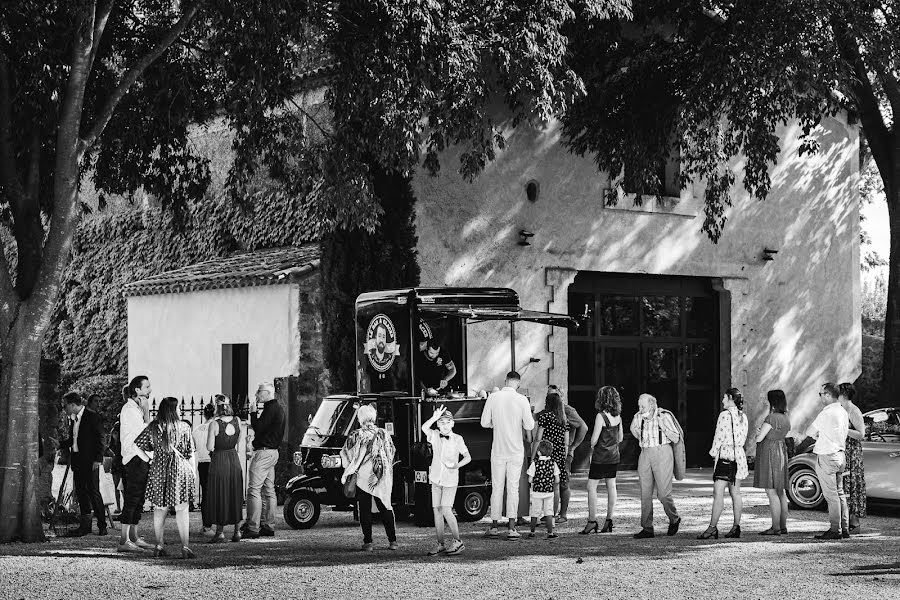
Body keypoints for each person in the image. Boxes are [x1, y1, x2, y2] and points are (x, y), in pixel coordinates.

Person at [134, 397, 196, 558]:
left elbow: (137, 446)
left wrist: (149, 460)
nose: (180, 410)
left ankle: (159, 545)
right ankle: (185, 547)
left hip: (158, 470)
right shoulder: (184, 427)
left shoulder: (154, 427)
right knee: (182, 509)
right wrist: (193, 473)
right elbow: (190, 453)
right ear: (173, 410)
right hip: (180, 471)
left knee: (160, 510)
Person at [480, 370, 535, 538]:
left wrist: (494, 424)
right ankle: (512, 527)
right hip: (516, 450)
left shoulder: (493, 397)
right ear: (518, 383)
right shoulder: (522, 400)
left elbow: (484, 422)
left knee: (497, 487)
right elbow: (530, 426)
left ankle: (495, 526)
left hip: (498, 449)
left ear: (505, 381)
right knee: (513, 488)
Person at [340, 404, 398, 551]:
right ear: (373, 417)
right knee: (385, 505)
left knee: (364, 509)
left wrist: (350, 467)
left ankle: (368, 542)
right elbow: (391, 451)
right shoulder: (383, 433)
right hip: (381, 476)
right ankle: (393, 541)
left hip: (363, 477)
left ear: (360, 418)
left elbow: (346, 454)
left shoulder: (356, 434)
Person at [795, 383, 850, 540]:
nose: (820, 397)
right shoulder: (842, 411)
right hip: (840, 454)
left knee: (831, 495)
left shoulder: (826, 413)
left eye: (820, 394)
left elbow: (810, 432)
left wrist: (816, 438)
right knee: (840, 493)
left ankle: (835, 529)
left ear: (827, 395)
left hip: (827, 455)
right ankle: (844, 528)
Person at [629, 393, 683, 538]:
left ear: (652, 405)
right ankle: (647, 528)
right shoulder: (637, 417)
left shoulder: (664, 416)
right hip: (645, 453)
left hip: (662, 452)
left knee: (663, 494)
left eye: (643, 406)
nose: (640, 409)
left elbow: (676, 437)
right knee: (645, 493)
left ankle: (674, 518)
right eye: (639, 405)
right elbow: (634, 431)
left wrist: (663, 427)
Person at [698, 388, 749, 539]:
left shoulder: (724, 415)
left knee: (718, 494)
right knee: (736, 493)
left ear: (731, 398)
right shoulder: (743, 416)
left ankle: (712, 527)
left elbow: (718, 437)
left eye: (724, 398)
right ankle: (736, 527)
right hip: (739, 455)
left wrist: (713, 454)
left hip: (725, 455)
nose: (722, 401)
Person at [421, 405, 471, 556]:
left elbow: (468, 457)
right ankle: (440, 544)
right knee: (437, 510)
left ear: (453, 423)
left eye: (447, 422)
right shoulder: (435, 435)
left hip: (450, 480)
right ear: (438, 424)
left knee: (446, 509)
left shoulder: (458, 439)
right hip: (436, 478)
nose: (444, 424)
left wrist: (457, 465)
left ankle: (458, 541)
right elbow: (424, 427)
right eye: (441, 422)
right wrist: (434, 417)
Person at [117, 376, 155, 553]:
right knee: (133, 497)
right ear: (137, 390)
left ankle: (134, 536)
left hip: (141, 458)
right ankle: (124, 540)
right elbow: (144, 434)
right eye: (146, 387)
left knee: (139, 498)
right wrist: (147, 412)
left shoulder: (135, 409)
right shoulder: (130, 410)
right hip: (135, 458)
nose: (149, 390)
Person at [244, 382, 285, 539]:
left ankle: (253, 527)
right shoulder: (278, 408)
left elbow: (259, 428)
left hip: (264, 453)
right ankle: (268, 525)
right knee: (269, 490)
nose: (256, 394)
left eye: (259, 392)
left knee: (254, 489)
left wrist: (253, 413)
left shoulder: (270, 409)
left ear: (267, 393)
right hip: (273, 452)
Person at [63, 392, 107, 536]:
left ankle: (102, 525)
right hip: (78, 461)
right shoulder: (74, 419)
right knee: (81, 492)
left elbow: (101, 438)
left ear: (72, 405)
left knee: (93, 492)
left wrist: (98, 459)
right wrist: (60, 444)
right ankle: (85, 526)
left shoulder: (92, 416)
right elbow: (73, 439)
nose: (64, 409)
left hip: (90, 461)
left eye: (65, 406)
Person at [581, 386, 622, 534]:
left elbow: (593, 440)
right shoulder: (618, 416)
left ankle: (592, 521)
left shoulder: (600, 416)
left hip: (600, 457)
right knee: (611, 486)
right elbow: (621, 438)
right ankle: (609, 520)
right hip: (613, 456)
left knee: (591, 487)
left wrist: (593, 446)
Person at [206, 395, 245, 543]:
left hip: (219, 460)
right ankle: (237, 532)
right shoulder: (238, 421)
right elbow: (238, 439)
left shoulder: (214, 424)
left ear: (217, 407)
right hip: (233, 459)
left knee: (220, 493)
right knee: (235, 492)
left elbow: (209, 447)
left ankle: (220, 532)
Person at [753, 389, 791, 535]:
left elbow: (759, 438)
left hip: (769, 452)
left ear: (772, 401)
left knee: (771, 491)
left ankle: (775, 527)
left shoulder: (771, 418)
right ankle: (782, 526)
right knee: (780, 491)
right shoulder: (786, 417)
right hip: (781, 451)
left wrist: (758, 432)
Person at [548, 384, 588, 523]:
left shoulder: (568, 410)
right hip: (549, 453)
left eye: (554, 395)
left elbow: (583, 427)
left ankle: (563, 514)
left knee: (563, 484)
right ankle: (550, 514)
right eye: (549, 395)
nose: (551, 398)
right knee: (551, 483)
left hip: (564, 453)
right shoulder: (548, 410)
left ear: (561, 396)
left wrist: (573, 447)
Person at [532, 391, 569, 524]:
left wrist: (533, 455)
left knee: (544, 486)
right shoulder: (564, 419)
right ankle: (552, 516)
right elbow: (566, 442)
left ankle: (544, 514)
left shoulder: (545, 417)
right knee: (557, 486)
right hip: (559, 455)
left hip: (547, 453)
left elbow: (538, 438)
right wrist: (563, 457)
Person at [838, 382, 866, 533]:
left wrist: (844, 429)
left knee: (852, 485)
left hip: (852, 452)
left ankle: (854, 523)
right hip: (841, 450)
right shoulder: (840, 409)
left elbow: (861, 434)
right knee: (842, 485)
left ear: (843, 394)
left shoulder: (854, 410)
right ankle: (845, 522)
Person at [525, 440, 560, 539]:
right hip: (549, 492)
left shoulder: (534, 464)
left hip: (537, 492)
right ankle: (550, 533)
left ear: (538, 452)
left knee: (535, 512)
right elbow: (557, 480)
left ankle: (532, 532)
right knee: (549, 512)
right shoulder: (553, 463)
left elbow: (530, 479)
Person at [193, 403, 216, 536]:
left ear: (204, 414)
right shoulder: (216, 427)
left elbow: (194, 446)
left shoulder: (197, 429)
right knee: (216, 493)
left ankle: (206, 525)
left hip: (202, 462)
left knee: (206, 494)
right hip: (214, 461)